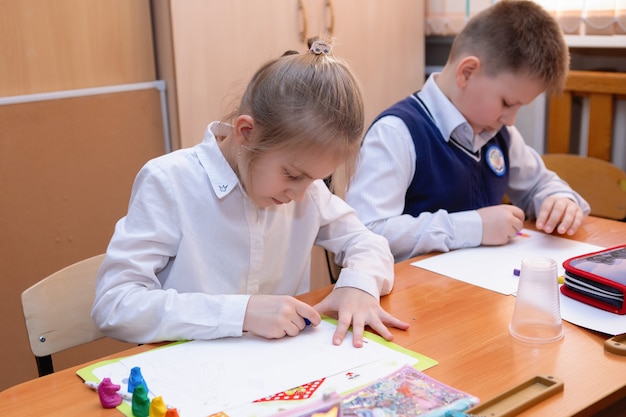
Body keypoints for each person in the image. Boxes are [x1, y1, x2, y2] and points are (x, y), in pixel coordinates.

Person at [91, 39, 409, 348]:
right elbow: (115, 304)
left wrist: (359, 286)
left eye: (314, 180)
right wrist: (241, 313)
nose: (300, 195)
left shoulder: (307, 192)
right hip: (189, 377)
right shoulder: (170, 182)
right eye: (293, 175)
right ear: (246, 133)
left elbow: (367, 241)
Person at [345, 0, 590, 262]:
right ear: (468, 72)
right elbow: (363, 233)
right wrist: (473, 227)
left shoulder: (498, 133)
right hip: (412, 296)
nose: (510, 120)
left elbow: (539, 184)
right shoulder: (396, 134)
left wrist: (558, 200)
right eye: (507, 103)